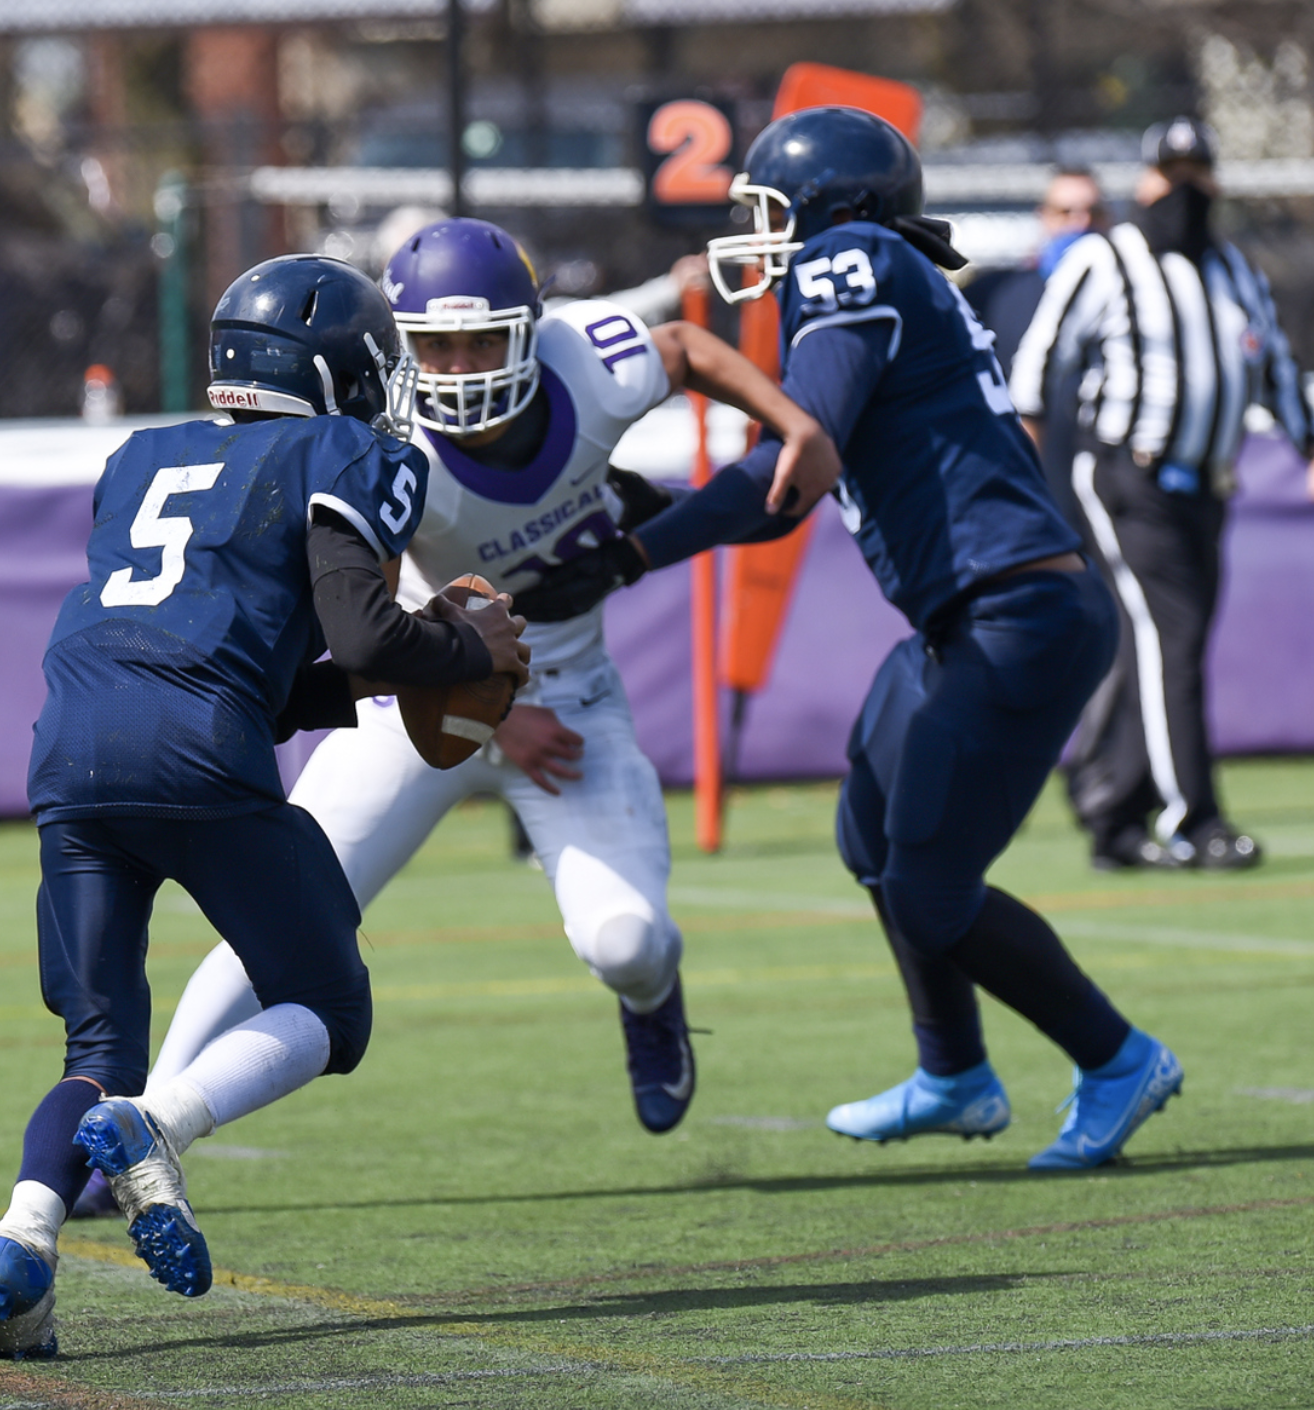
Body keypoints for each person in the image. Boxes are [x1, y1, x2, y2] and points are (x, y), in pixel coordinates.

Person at [84, 218, 835, 1197]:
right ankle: (139, 1131)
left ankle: (652, 1002)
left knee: (627, 942)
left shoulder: (589, 364)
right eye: (436, 346)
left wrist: (793, 420)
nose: (460, 367)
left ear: (531, 329)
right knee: (270, 930)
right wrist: (494, 712)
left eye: (482, 340)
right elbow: (369, 624)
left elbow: (687, 347)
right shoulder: (394, 452)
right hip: (413, 702)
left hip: (567, 700)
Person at [512, 107, 1181, 1171]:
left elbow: (789, 466)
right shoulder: (870, 276)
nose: (761, 236)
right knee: (870, 836)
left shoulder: (849, 257)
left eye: (773, 212)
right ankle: (955, 1075)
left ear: (838, 209)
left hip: (1014, 617)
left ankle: (1117, 1058)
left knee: (930, 889)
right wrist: (651, 514)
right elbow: (790, 483)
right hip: (965, 620)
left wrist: (638, 550)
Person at [0, 254, 529, 1359]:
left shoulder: (140, 458)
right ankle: (158, 1125)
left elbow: (244, 671)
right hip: (197, 752)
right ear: (338, 373)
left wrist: (376, 680)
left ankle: (19, 1244)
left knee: (96, 1047)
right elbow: (363, 631)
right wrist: (467, 651)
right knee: (331, 1007)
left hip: (70, 748)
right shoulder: (346, 449)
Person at [1009, 117, 1314, 871]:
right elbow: (1038, 364)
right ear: (1146, 182)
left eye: (1199, 173)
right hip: (1127, 477)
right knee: (1174, 638)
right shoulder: (1107, 258)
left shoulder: (1233, 268)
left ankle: (1115, 814)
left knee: (1161, 647)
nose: (1186, 190)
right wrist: (1022, 467)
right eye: (1173, 174)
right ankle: (1193, 818)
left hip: (1208, 483)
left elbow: (1274, 367)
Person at [967, 166, 1107, 377]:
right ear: (1044, 216)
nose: (1081, 222)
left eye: (1094, 212)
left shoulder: (1133, 295)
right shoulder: (997, 294)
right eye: (1065, 212)